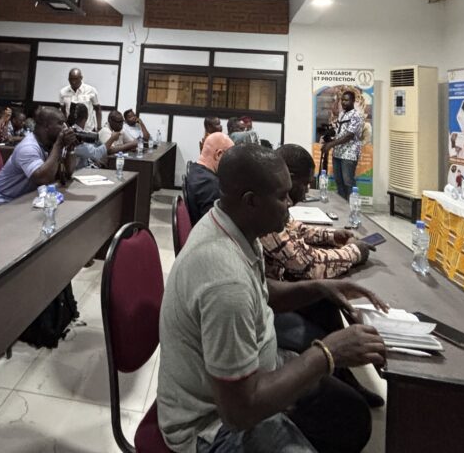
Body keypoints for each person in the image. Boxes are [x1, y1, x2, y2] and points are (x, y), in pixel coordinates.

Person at [158, 144, 387, 453]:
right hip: (212, 425)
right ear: (251, 201)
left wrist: (318, 288)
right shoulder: (225, 281)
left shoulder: (234, 226)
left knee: (352, 417)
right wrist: (327, 353)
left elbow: (262, 292)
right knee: (335, 417)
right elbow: (239, 413)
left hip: (255, 375)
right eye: (282, 197)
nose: (290, 204)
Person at [262, 145, 370, 282]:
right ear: (289, 178)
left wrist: (331, 235)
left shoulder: (270, 199)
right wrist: (355, 252)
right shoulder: (266, 212)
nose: (306, 192)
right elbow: (308, 266)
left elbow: (291, 227)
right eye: (305, 184)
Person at [0, 107, 77, 206]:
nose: (66, 128)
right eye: (60, 123)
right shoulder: (28, 147)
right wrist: (58, 145)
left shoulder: (48, 145)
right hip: (0, 200)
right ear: (47, 126)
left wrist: (70, 149)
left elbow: (67, 173)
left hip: (23, 199)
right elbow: (43, 179)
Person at [185, 132, 234, 226]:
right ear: (219, 154)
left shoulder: (194, 169)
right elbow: (216, 228)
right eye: (230, 159)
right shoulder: (211, 186)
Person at [321, 91, 363, 199]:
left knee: (348, 182)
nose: (343, 102)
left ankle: (351, 205)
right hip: (338, 153)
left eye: (346, 100)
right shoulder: (342, 114)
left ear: (353, 101)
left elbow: (349, 136)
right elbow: (339, 131)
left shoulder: (356, 115)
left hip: (349, 155)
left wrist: (330, 144)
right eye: (342, 100)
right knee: (339, 181)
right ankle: (342, 205)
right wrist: (329, 134)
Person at [66, 103, 109, 170]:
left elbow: (86, 153)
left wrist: (93, 159)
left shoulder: (71, 131)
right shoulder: (76, 135)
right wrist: (113, 138)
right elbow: (96, 153)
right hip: (78, 171)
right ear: (86, 117)